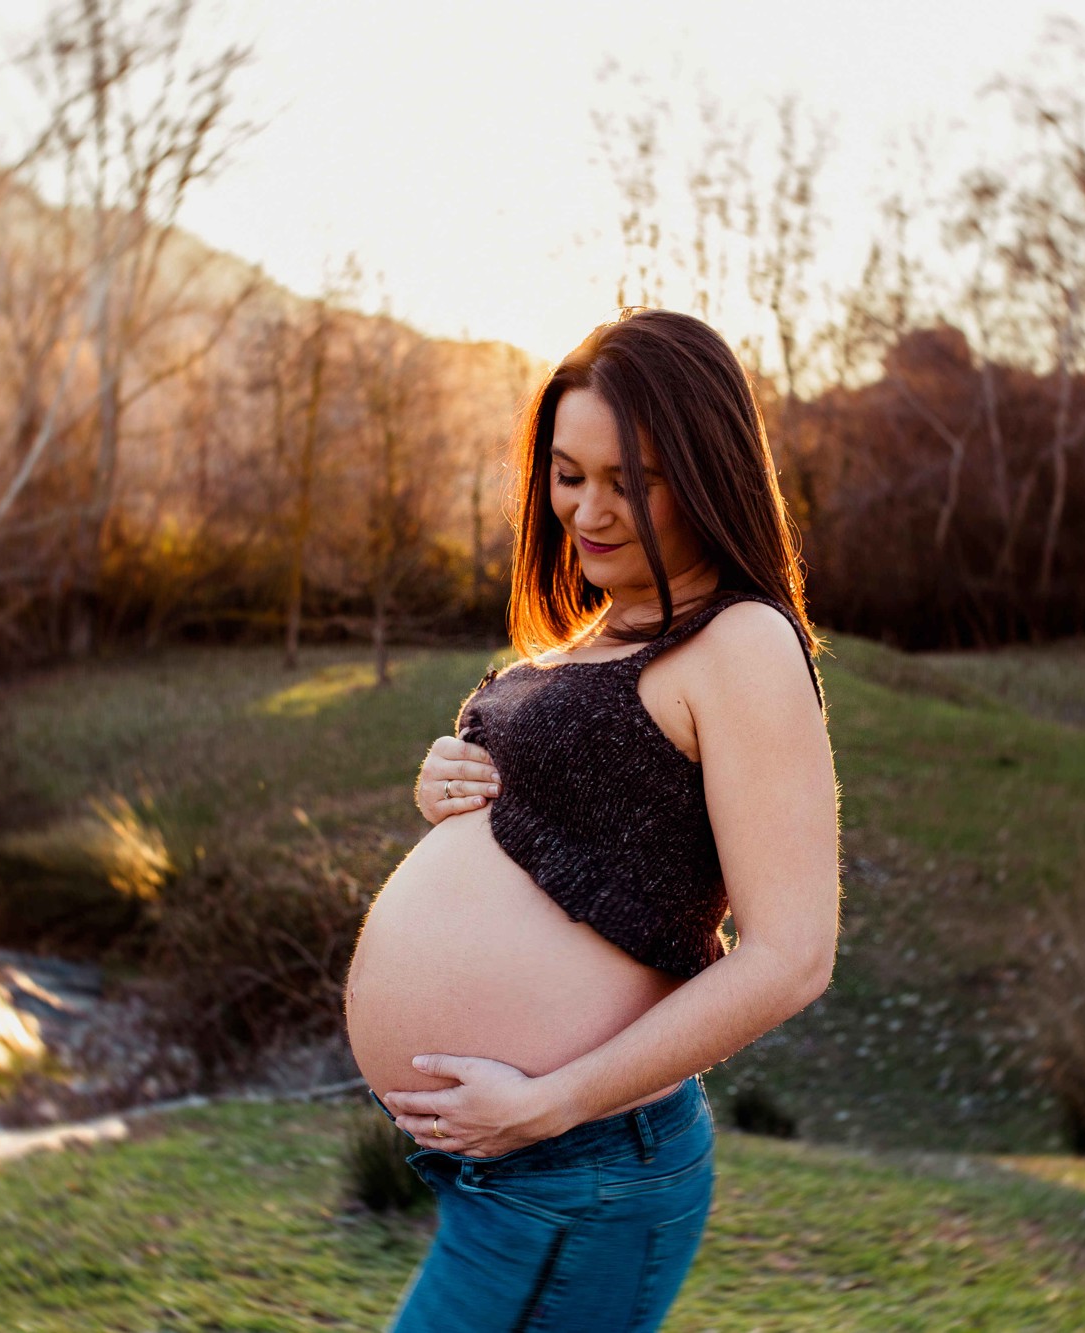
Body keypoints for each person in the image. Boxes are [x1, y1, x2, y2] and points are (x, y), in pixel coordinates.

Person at [343, 307, 842, 1332]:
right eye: (569, 476)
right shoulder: (600, 634)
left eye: (633, 481)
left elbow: (791, 954)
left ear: (708, 472)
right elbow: (572, 824)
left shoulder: (740, 643)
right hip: (521, 1170)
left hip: (579, 1165)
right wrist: (451, 790)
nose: (590, 510)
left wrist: (553, 1099)